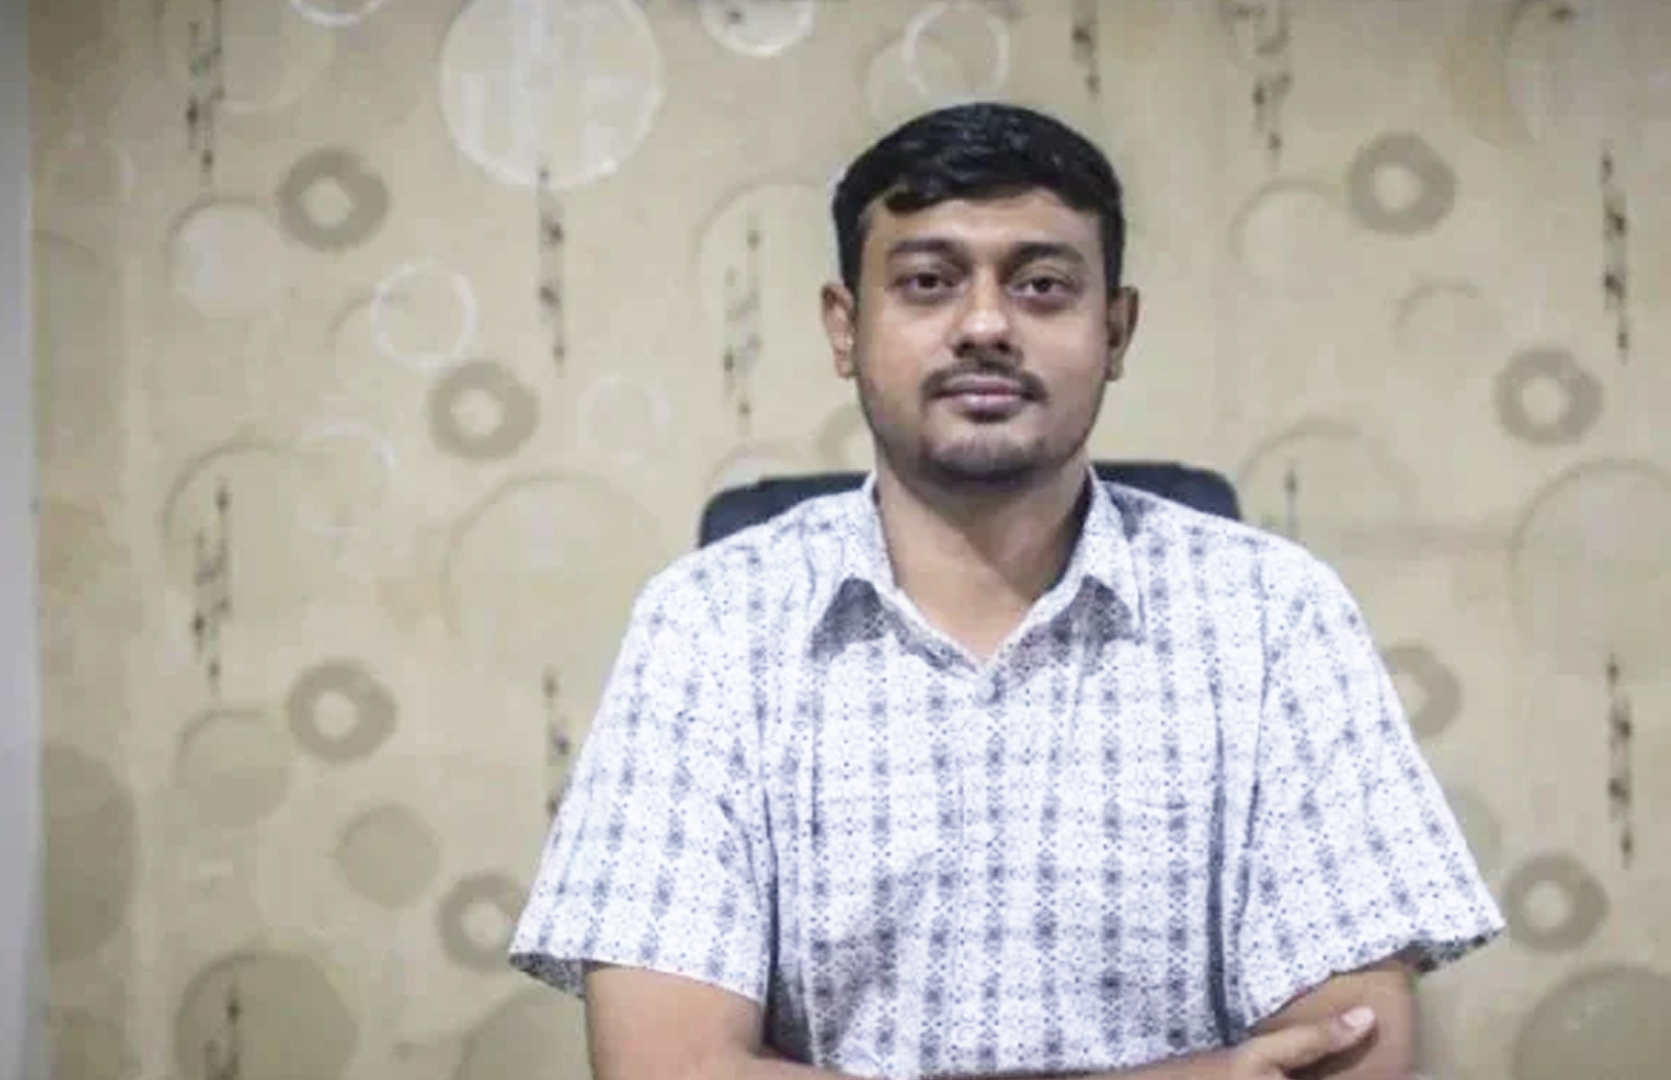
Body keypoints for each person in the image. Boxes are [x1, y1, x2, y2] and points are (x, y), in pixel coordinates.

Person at [508, 101, 1505, 1080]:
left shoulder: (1275, 617)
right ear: (845, 327)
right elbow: (667, 1068)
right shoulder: (709, 625)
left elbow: (1346, 1057)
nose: (985, 324)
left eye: (1041, 286)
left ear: (1116, 330)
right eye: (928, 282)